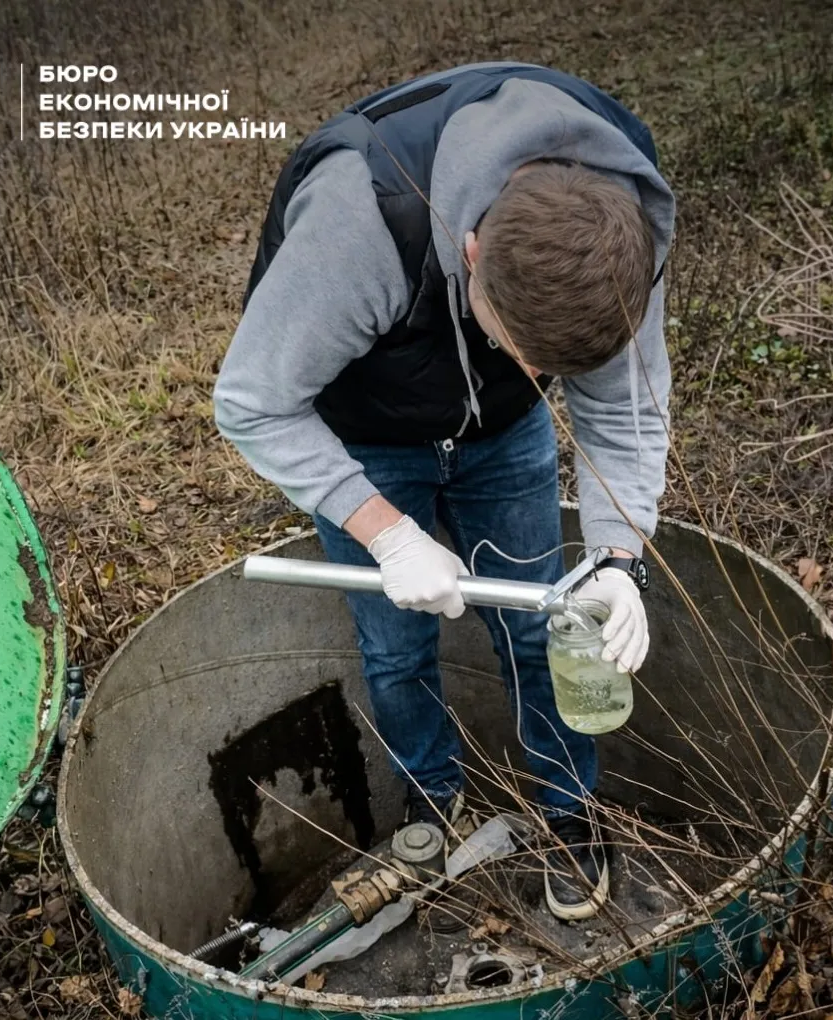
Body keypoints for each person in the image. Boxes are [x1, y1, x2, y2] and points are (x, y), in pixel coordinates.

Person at [214, 62, 674, 921]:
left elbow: (626, 415)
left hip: (502, 438)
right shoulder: (363, 220)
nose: (540, 377)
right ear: (471, 250)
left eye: (556, 367)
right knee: (395, 650)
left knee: (549, 627)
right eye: (524, 350)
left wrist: (619, 559)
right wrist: (383, 530)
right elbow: (252, 403)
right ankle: (434, 807)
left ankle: (570, 815)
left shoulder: (622, 229)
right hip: (367, 435)